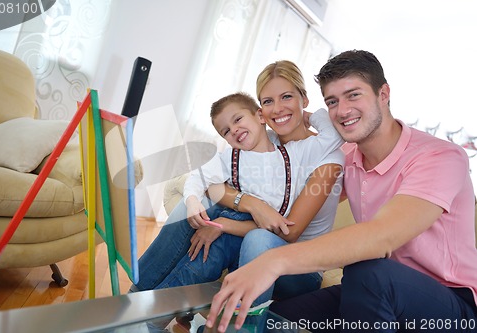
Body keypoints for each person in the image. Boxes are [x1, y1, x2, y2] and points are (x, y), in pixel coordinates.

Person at [206, 50, 477, 333]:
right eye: (332, 102)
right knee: (276, 320)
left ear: (383, 94)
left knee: (365, 269)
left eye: (354, 95)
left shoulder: (440, 157)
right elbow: (288, 194)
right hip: (370, 290)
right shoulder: (344, 157)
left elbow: (381, 237)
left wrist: (273, 261)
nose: (342, 110)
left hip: (450, 305)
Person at [130, 61, 344, 297]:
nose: (278, 109)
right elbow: (210, 183)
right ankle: (138, 292)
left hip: (297, 259)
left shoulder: (320, 153)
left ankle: (228, 320)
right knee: (194, 208)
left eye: (287, 97)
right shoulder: (263, 139)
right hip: (251, 226)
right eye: (268, 101)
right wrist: (251, 204)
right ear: (261, 112)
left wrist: (222, 227)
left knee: (257, 239)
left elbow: (288, 231)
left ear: (303, 98)